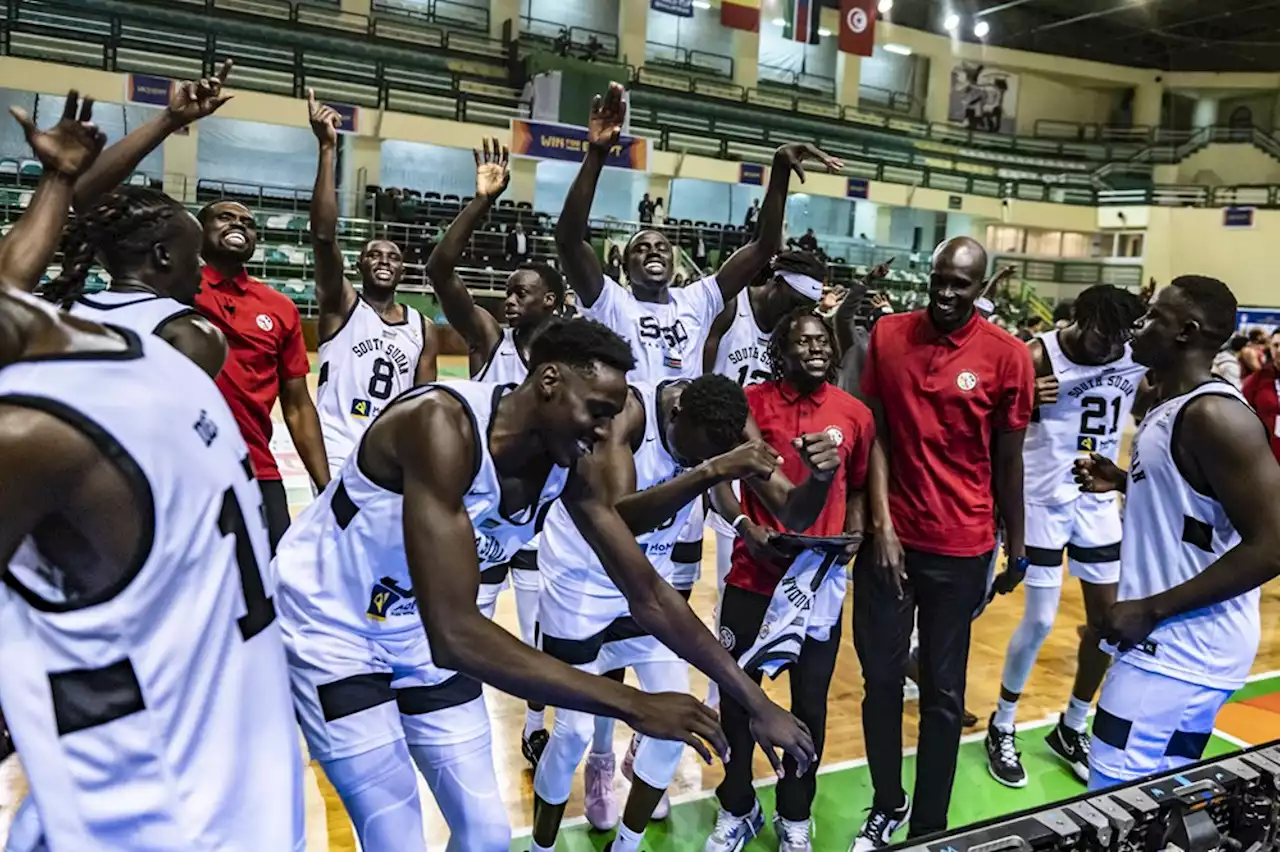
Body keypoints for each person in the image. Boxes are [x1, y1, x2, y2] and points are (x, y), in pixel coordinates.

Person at [272, 318, 815, 852]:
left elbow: (646, 591)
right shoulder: (441, 425)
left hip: (411, 630)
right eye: (596, 412)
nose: (604, 433)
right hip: (335, 630)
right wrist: (631, 703)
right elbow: (456, 634)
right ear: (549, 381)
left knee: (486, 836)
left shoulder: (568, 465)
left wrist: (751, 700)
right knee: (396, 837)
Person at [0, 98, 304, 851]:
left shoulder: (46, 420)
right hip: (225, 749)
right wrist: (63, 181)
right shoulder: (173, 348)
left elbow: (16, 278)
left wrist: (64, 186)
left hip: (152, 793)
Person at [555, 81, 840, 827]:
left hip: (684, 474)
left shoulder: (699, 301)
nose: (653, 249)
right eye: (640, 245)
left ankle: (645, 746)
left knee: (660, 620)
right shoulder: (608, 302)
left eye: (662, 245)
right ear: (625, 263)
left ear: (677, 262)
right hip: (627, 462)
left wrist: (775, 173)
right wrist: (596, 157)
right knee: (606, 628)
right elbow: (569, 240)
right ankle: (593, 746)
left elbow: (764, 249)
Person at [531, 373, 840, 852]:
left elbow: (793, 512)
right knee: (571, 733)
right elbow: (618, 520)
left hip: (645, 587)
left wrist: (820, 479)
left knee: (681, 720)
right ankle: (541, 847)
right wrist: (711, 470)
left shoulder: (729, 425)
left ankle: (626, 846)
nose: (702, 457)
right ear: (677, 417)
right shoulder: (630, 414)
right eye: (695, 450)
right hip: (579, 582)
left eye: (713, 451)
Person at [852, 236, 1034, 848]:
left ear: (981, 289)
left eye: (962, 285)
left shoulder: (1008, 357)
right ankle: (886, 804)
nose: (948, 294)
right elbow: (873, 434)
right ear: (928, 276)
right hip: (890, 542)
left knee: (943, 692)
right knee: (879, 681)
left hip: (963, 544)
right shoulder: (888, 336)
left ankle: (930, 826)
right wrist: (881, 526)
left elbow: (1010, 463)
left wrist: (1020, 543)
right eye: (941, 280)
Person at [1073, 275, 1280, 790]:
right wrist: (1124, 482)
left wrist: (1150, 607)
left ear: (1185, 332)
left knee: (1115, 806)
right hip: (1184, 651)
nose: (1139, 326)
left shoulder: (1214, 414)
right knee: (1165, 806)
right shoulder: (1177, 405)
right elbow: (1199, 508)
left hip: (1179, 650)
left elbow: (1275, 543)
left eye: (1153, 317)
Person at [705, 310, 875, 852]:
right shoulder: (750, 405)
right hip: (754, 575)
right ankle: (737, 807)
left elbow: (857, 486)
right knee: (735, 699)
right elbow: (720, 483)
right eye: (802, 341)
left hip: (817, 584)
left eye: (824, 339)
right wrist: (741, 524)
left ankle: (795, 815)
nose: (816, 347)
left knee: (810, 705)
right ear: (781, 353)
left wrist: (855, 531)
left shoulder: (854, 413)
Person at [425, 139, 566, 765]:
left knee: (538, 630)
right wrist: (479, 203)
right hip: (478, 518)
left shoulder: (567, 361)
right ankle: (456, 725)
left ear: (553, 303)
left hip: (537, 520)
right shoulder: (488, 337)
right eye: (507, 289)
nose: (510, 298)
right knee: (464, 623)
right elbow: (439, 271)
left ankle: (536, 725)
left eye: (523, 291)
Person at [984, 285, 1149, 788]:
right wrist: (1023, 397)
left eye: (1121, 336)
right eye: (1104, 334)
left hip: (1097, 502)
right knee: (1038, 620)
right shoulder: (1036, 355)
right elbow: (986, 418)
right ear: (1078, 319)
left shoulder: (1131, 359)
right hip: (1040, 502)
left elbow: (1151, 408)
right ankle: (1003, 722)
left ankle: (1073, 724)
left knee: (1107, 623)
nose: (1111, 346)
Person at [701, 250, 825, 707]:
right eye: (792, 301)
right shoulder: (732, 309)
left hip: (759, 470)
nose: (797, 316)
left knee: (736, 599)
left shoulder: (792, 334)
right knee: (706, 592)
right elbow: (699, 375)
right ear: (775, 281)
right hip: (712, 461)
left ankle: (721, 704)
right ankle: (715, 705)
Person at [307, 91, 437, 478]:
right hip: (336, 448)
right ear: (360, 264)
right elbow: (323, 236)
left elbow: (423, 401)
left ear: (403, 270)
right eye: (374, 255)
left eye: (393, 256)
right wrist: (328, 148)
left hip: (390, 454)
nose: (384, 260)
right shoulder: (341, 305)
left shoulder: (422, 328)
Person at [195, 195, 330, 551]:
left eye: (248, 223)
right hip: (182, 465)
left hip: (256, 467)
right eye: (225, 217)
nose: (239, 224)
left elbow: (298, 405)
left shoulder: (279, 307)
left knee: (270, 586)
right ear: (197, 232)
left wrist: (326, 486)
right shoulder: (173, 289)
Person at [1241, 328, 1280, 465]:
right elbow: (1244, 417)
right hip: (1267, 457)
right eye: (1276, 345)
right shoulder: (1257, 380)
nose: (1279, 350)